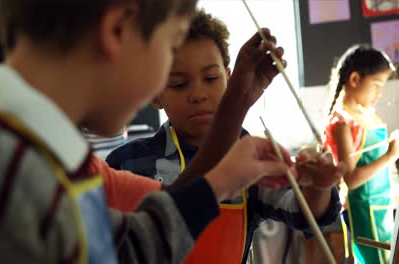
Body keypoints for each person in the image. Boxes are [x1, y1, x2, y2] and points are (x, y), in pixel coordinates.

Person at [0, 0, 307, 263]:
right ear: (116, 30)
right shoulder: (3, 183)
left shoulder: (33, 158)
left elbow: (132, 249)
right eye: (171, 42)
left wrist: (224, 175)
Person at [107, 9, 343, 263]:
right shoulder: (127, 163)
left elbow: (302, 213)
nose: (198, 94)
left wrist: (319, 187)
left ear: (229, 80)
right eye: (178, 84)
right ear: (155, 93)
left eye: (210, 78)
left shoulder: (250, 156)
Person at [324, 45, 399, 264]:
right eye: (376, 85)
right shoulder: (343, 123)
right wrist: (390, 156)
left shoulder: (366, 116)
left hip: (381, 205)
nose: (379, 93)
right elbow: (352, 179)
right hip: (363, 210)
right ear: (355, 79)